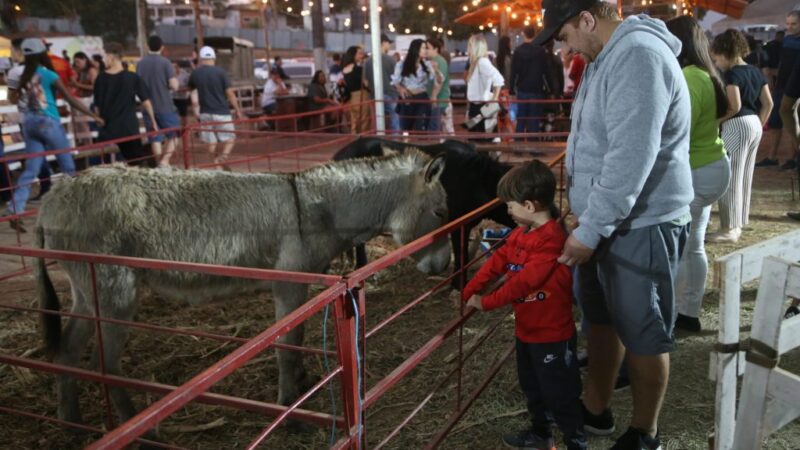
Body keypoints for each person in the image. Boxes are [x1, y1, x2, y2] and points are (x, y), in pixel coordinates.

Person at [540, 1, 692, 448]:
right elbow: (597, 143)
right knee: (602, 320)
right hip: (609, 217)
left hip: (642, 219)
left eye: (565, 36)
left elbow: (630, 155)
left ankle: (645, 430)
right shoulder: (608, 56)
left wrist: (589, 228)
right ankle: (597, 407)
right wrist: (585, 212)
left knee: (643, 328)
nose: (565, 50)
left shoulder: (637, 55)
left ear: (587, 19)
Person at [462, 161, 587, 450]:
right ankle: (542, 434)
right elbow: (498, 260)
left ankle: (575, 442)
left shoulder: (552, 240)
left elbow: (523, 284)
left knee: (560, 392)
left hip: (552, 335)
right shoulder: (522, 233)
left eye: (510, 206)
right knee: (533, 387)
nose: (507, 211)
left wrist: (486, 302)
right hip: (528, 330)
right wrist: (469, 288)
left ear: (529, 206)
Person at [664, 17, 732, 333]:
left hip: (697, 170)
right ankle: (688, 311)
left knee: (680, 247)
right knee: (692, 245)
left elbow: (681, 128)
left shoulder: (690, 77)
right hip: (711, 165)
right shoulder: (705, 74)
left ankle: (679, 311)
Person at [5, 38, 103, 232]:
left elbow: (11, 98)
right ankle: (75, 210)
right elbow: (69, 99)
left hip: (29, 124)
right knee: (67, 165)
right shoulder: (49, 74)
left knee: (31, 169)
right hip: (48, 121)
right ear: (43, 53)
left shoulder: (16, 72)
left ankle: (14, 207)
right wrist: (93, 116)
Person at [706, 30, 773, 245]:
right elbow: (768, 103)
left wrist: (715, 122)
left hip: (737, 124)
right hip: (754, 123)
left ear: (725, 52)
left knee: (730, 177)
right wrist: (759, 126)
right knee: (744, 176)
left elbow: (734, 105)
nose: (716, 63)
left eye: (716, 58)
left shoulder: (731, 74)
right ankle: (738, 224)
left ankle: (728, 228)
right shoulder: (755, 71)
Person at [94, 42, 158, 168]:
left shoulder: (100, 79)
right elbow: (146, 102)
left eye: (105, 56)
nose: (103, 60)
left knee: (107, 166)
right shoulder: (132, 77)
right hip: (129, 128)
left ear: (111, 57)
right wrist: (153, 121)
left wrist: (98, 119)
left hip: (109, 129)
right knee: (136, 164)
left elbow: (97, 106)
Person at [756, 12, 800, 169]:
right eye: (787, 23)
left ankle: (792, 159)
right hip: (782, 86)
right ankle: (772, 156)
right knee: (775, 121)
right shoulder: (787, 40)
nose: (789, 27)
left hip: (795, 88)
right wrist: (774, 76)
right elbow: (784, 64)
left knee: (794, 122)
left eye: (793, 24)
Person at [188, 46, 242, 166]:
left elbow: (190, 89)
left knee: (210, 142)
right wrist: (237, 110)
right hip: (222, 111)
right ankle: (222, 157)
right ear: (214, 58)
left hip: (205, 112)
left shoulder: (195, 73)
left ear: (201, 59)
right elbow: (230, 93)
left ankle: (216, 164)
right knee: (230, 138)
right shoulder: (221, 72)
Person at [137, 35, 181, 167]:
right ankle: (164, 161)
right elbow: (174, 85)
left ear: (147, 46)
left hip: (147, 106)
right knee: (175, 134)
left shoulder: (140, 63)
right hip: (165, 105)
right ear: (162, 47)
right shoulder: (165, 62)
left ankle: (158, 163)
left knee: (154, 137)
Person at [510, 26, 555, 139]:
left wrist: (511, 89)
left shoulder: (518, 51)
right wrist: (551, 89)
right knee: (534, 120)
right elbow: (547, 72)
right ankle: (534, 146)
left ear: (523, 34)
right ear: (535, 34)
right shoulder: (540, 51)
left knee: (521, 119)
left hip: (522, 90)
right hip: (537, 90)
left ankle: (518, 146)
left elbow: (513, 72)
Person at [392, 39, 442, 132]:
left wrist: (436, 70)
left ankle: (421, 145)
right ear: (416, 49)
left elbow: (439, 81)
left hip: (422, 98)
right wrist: (400, 88)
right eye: (423, 48)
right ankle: (407, 146)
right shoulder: (401, 64)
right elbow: (395, 82)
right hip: (407, 99)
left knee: (421, 128)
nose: (426, 50)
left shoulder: (427, 65)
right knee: (406, 130)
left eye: (426, 48)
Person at [464, 34, 504, 137]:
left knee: (481, 140)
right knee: (477, 138)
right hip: (477, 106)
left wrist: (494, 100)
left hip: (482, 106)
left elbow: (498, 78)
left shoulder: (482, 62)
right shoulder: (476, 62)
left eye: (470, 45)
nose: (468, 48)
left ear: (476, 47)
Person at [364, 33, 400, 133]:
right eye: (388, 43)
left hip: (374, 95)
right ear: (383, 43)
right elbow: (397, 78)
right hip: (391, 93)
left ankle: (378, 141)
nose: (389, 46)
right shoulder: (391, 60)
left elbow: (365, 82)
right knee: (395, 120)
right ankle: (395, 141)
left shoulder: (368, 61)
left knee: (377, 121)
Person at [342, 45, 371, 134]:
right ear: (353, 55)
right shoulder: (358, 69)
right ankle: (363, 140)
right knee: (364, 120)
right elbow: (366, 83)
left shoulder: (344, 69)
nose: (362, 56)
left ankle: (354, 138)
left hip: (352, 97)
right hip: (362, 95)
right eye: (359, 53)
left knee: (354, 120)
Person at [426, 37, 449, 133]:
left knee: (434, 128)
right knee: (434, 127)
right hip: (435, 100)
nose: (426, 50)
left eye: (428, 48)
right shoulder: (431, 61)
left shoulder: (440, 61)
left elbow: (440, 81)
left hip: (438, 101)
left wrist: (434, 97)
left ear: (436, 49)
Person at [172, 61, 192, 128]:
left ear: (178, 67)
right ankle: (176, 128)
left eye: (174, 67)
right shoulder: (170, 75)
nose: (173, 69)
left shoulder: (185, 75)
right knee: (174, 114)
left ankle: (185, 129)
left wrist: (181, 89)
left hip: (182, 98)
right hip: (173, 97)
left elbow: (189, 87)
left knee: (184, 115)